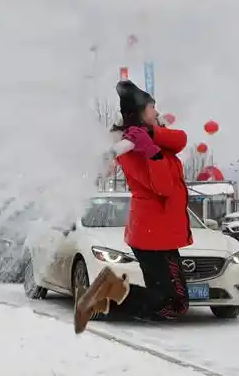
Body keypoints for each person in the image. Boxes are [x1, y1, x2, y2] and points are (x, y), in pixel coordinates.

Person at [74, 80, 193, 334]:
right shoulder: (131, 148)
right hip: (153, 234)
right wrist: (152, 154)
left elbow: (181, 140)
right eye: (152, 107)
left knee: (168, 303)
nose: (157, 112)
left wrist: (152, 135)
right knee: (174, 303)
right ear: (140, 111)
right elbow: (163, 189)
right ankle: (108, 292)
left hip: (162, 232)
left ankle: (112, 295)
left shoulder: (152, 134)